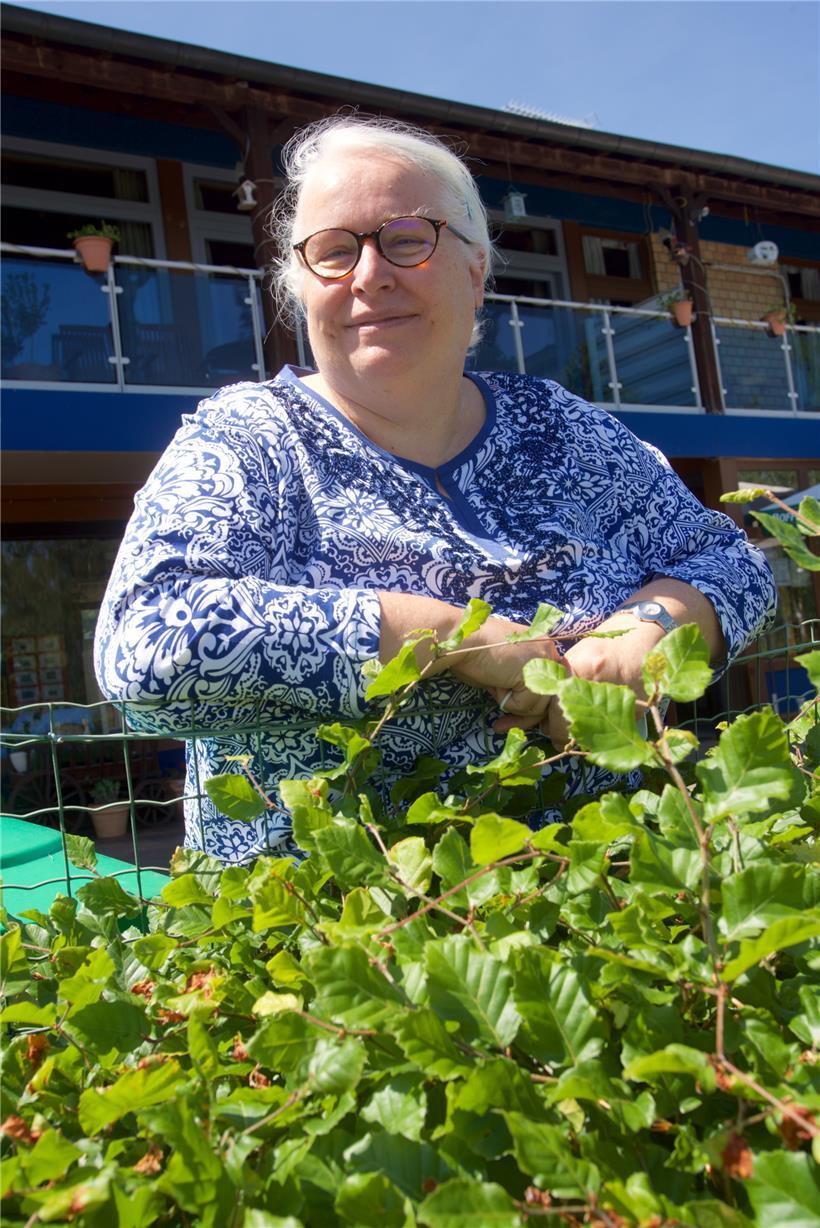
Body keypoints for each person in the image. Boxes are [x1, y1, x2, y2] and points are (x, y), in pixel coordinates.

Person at [94, 115, 777, 865]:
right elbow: (144, 643)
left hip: (615, 915)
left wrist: (646, 631)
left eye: (407, 237)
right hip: (339, 953)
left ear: (477, 270)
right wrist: (449, 637)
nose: (368, 275)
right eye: (332, 250)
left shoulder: (563, 428)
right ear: (297, 291)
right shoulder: (250, 440)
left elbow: (725, 556)